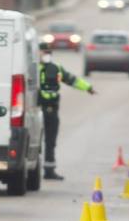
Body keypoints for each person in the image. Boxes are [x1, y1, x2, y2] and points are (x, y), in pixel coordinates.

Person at [38, 44, 95, 181]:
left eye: (48, 52)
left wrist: (87, 87)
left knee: (51, 141)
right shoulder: (31, 67)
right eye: (43, 51)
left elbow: (72, 80)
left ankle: (49, 170)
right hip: (36, 110)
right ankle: (32, 170)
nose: (46, 54)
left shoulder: (56, 68)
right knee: (35, 141)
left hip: (52, 109)